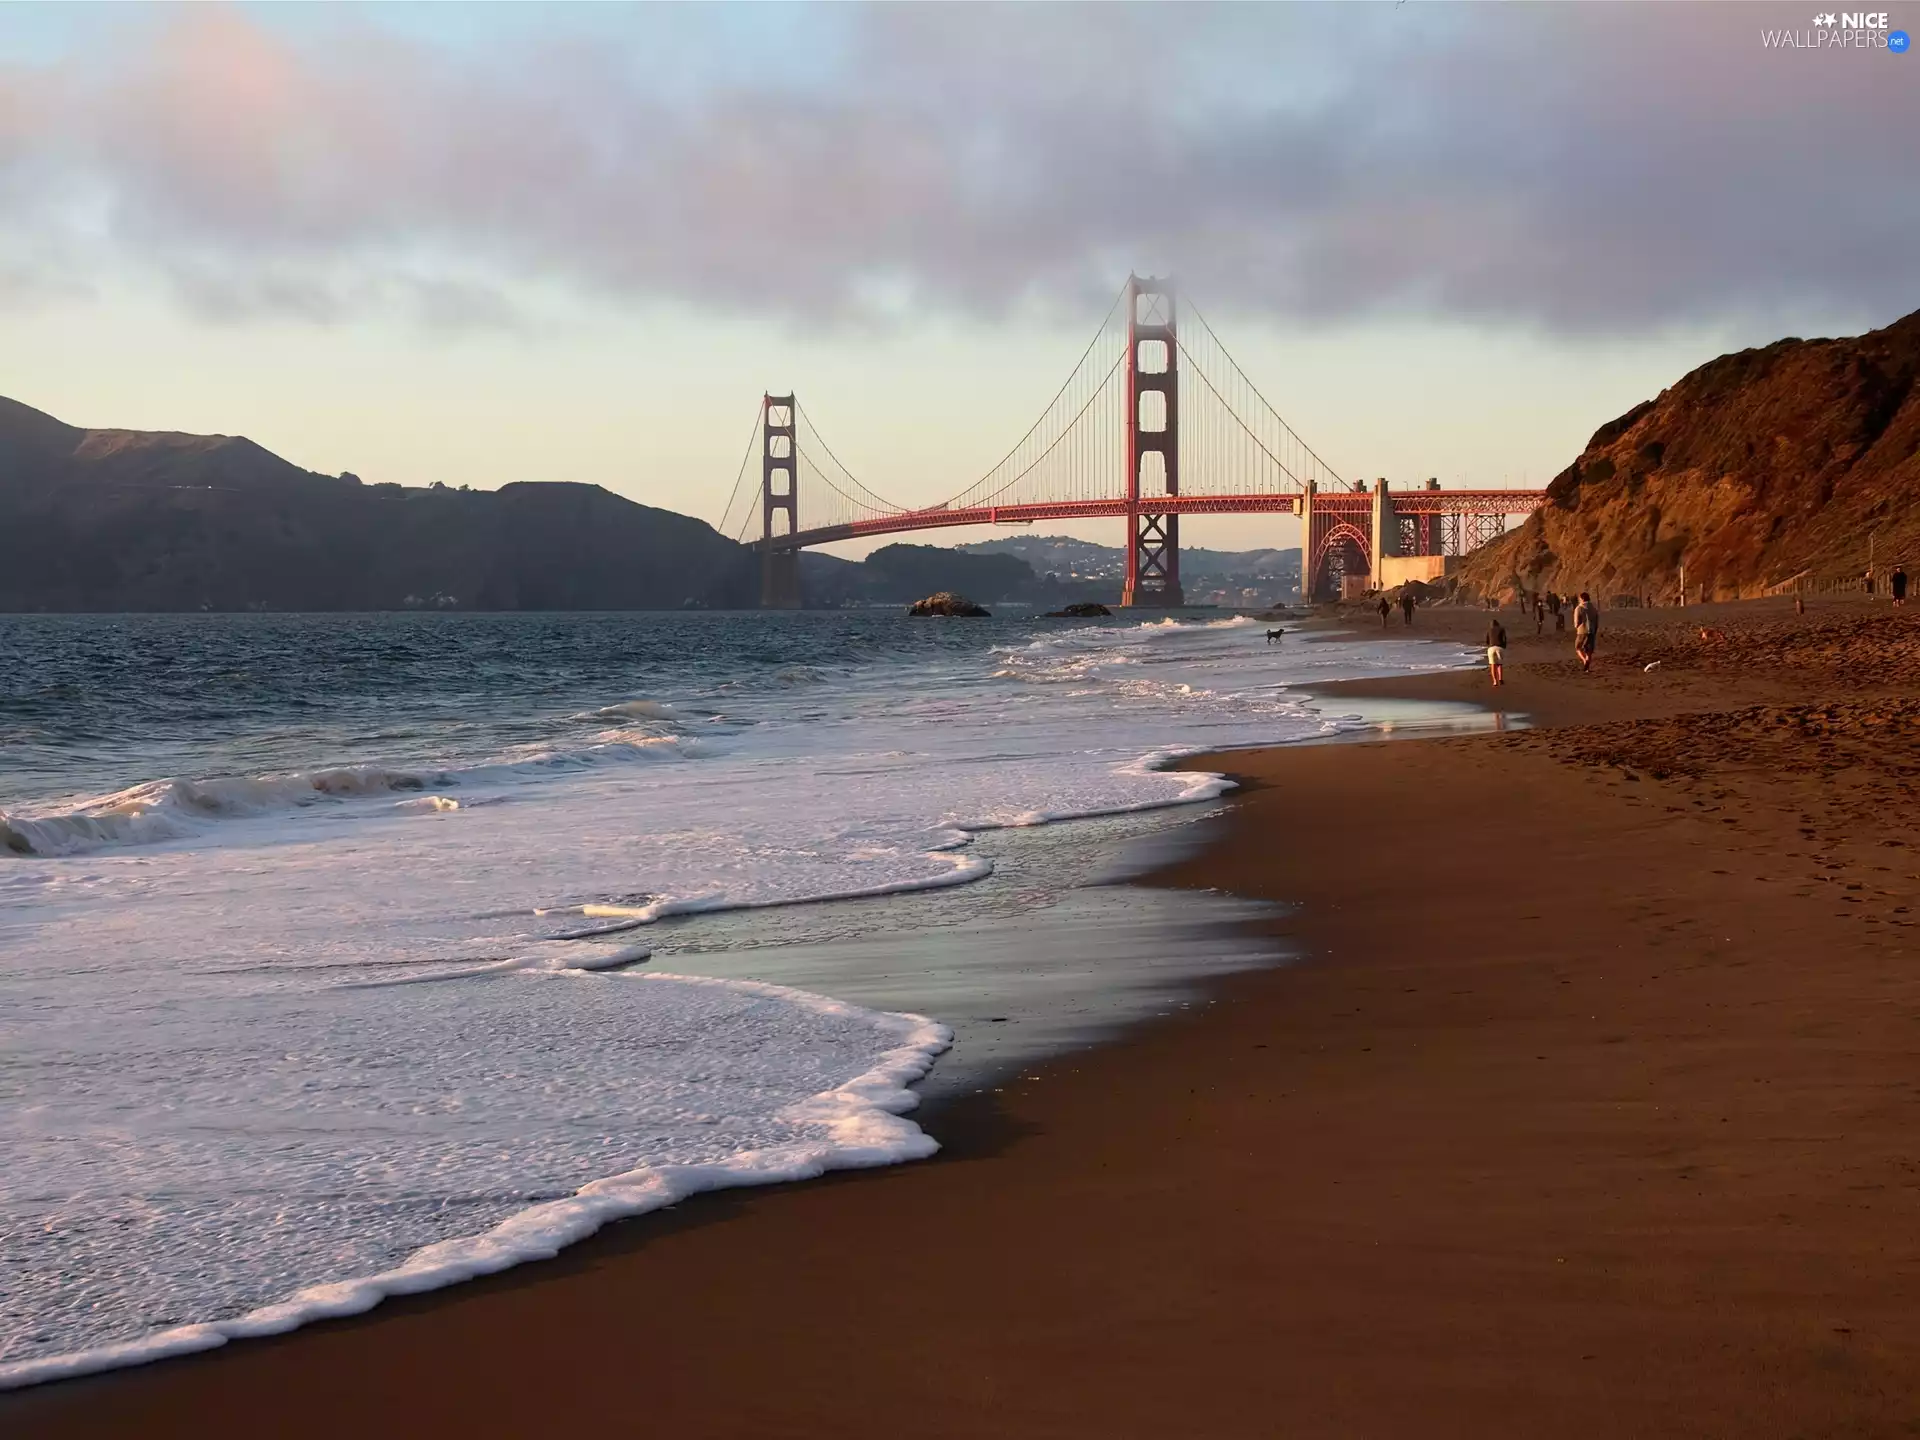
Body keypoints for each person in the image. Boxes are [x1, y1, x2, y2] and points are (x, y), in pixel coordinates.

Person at [1572, 590, 1599, 672]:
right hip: (1592, 631)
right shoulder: (1594, 608)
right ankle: (1587, 664)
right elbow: (1597, 620)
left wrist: (1576, 626)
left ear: (1582, 599)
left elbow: (1576, 622)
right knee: (1589, 650)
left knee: (1578, 647)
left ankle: (1584, 660)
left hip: (1582, 631)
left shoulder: (1579, 608)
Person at [1485, 616, 1508, 687]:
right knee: (1499, 664)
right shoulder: (1502, 629)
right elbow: (1504, 639)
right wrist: (1504, 646)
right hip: (1499, 647)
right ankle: (1500, 679)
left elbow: (1487, 641)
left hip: (1491, 648)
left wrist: (1489, 646)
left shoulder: (1489, 630)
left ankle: (1495, 681)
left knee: (1492, 665)